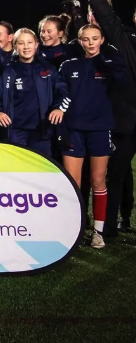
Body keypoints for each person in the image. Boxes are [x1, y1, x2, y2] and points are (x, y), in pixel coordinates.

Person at [75, 0, 136, 237]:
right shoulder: (123, 39)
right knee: (116, 175)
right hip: (126, 122)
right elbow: (103, 11)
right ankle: (108, 228)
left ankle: (121, 218)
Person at [59, 24, 126, 249]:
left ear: (102, 40)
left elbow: (124, 77)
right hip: (74, 129)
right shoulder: (69, 66)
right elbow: (61, 93)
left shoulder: (109, 65)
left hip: (100, 129)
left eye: (95, 38)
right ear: (79, 41)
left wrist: (112, 55)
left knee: (98, 180)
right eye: (86, 39)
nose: (90, 43)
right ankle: (74, 231)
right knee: (73, 183)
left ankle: (98, 232)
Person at [0, 29, 69, 156]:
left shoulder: (47, 69)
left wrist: (59, 108)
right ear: (15, 46)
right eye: (21, 43)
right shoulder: (8, 70)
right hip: (15, 132)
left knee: (41, 172)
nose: (26, 47)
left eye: (29, 42)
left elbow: (63, 91)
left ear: (36, 45)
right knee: (17, 172)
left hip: (42, 131)